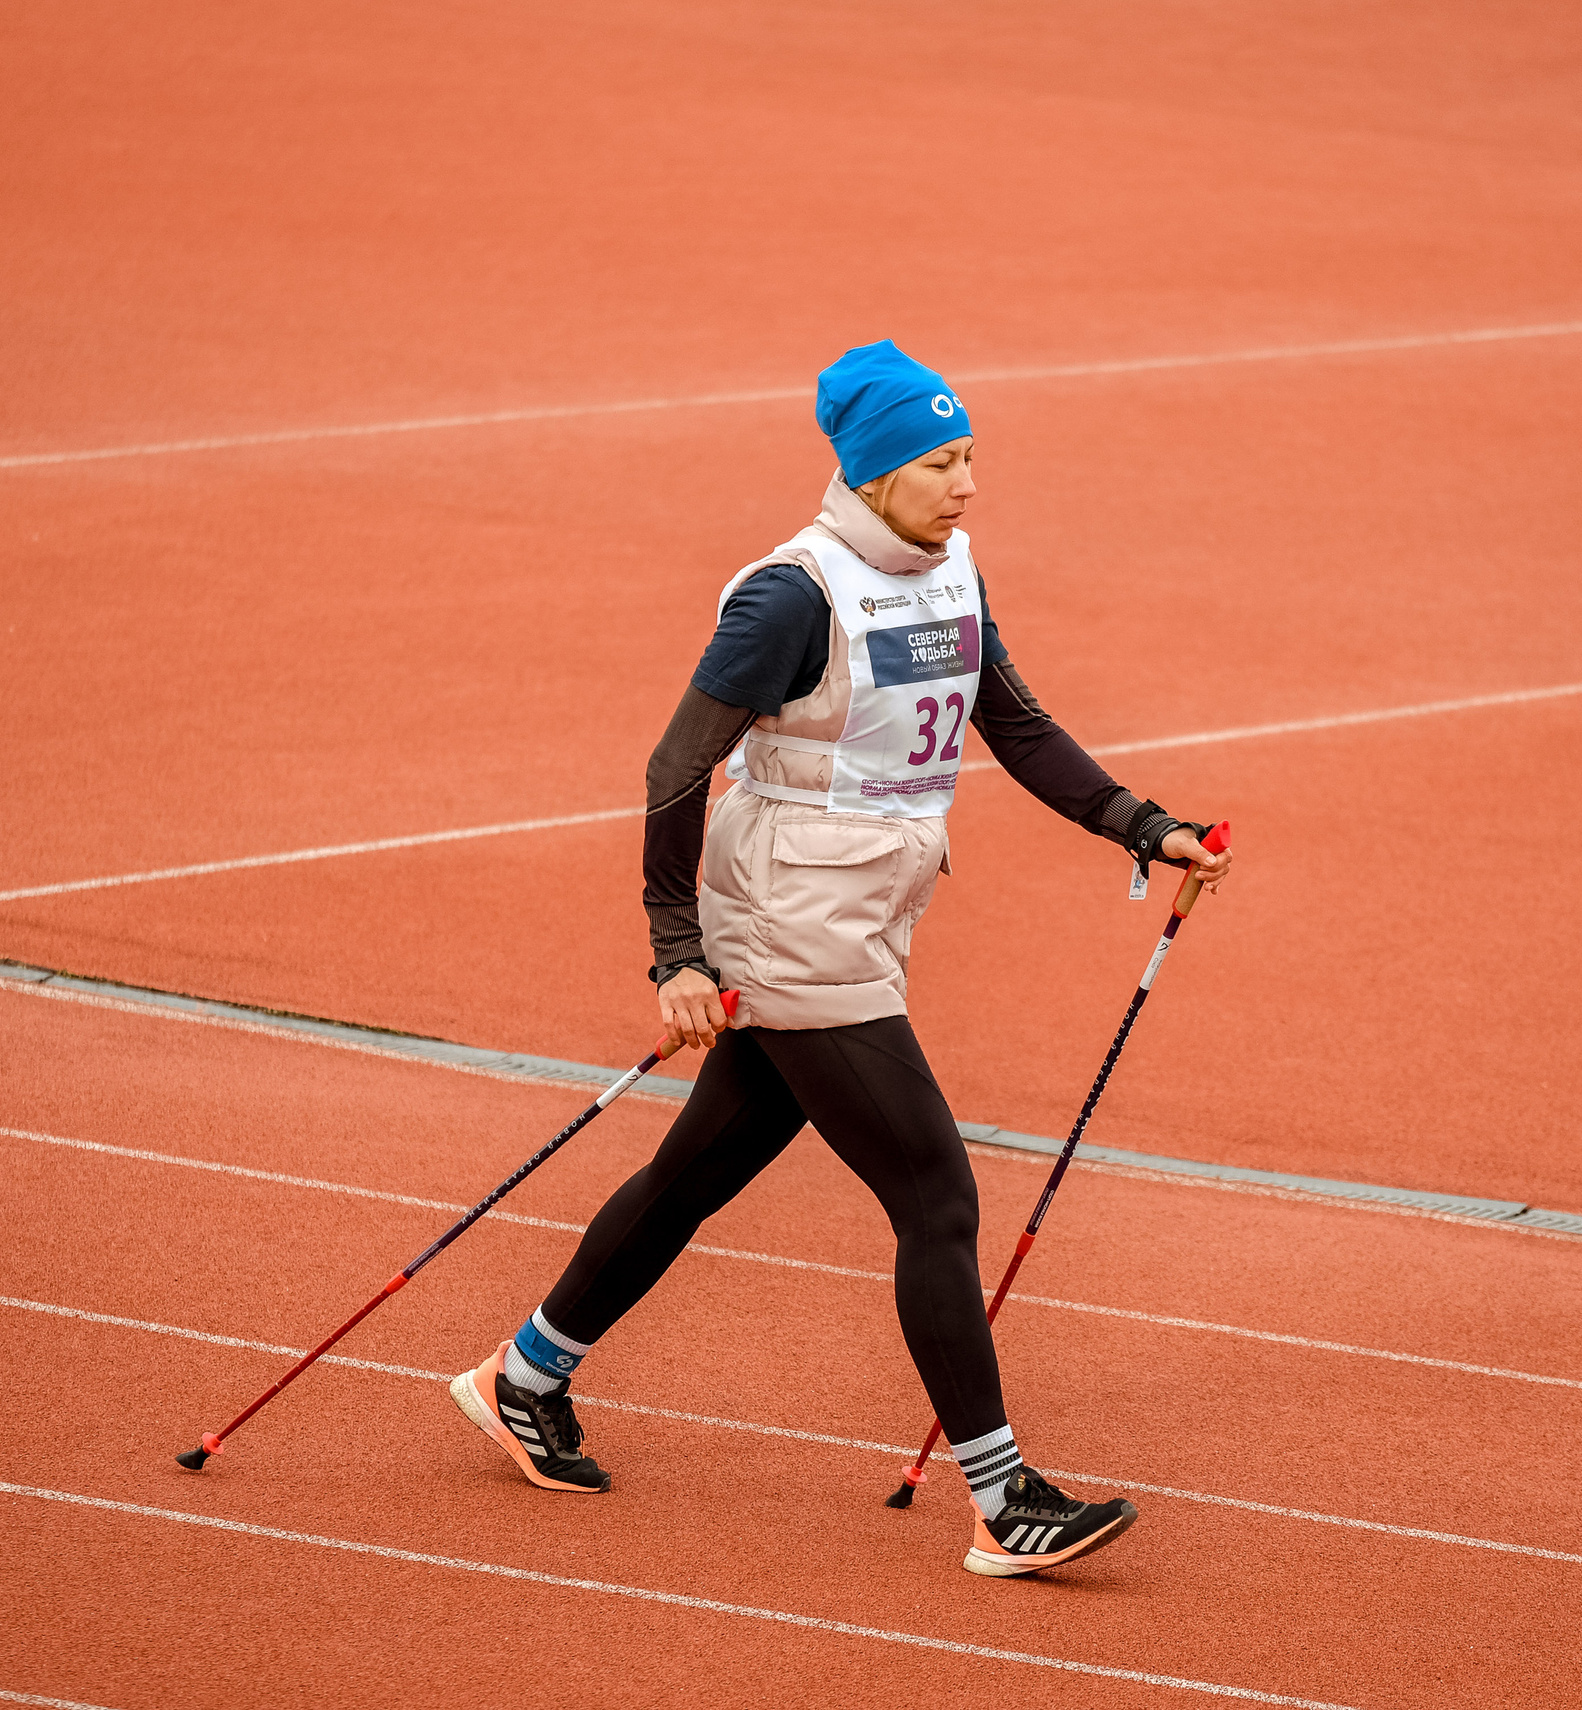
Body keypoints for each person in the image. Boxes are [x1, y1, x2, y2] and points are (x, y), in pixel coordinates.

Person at [452, 340, 1232, 1578]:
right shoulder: (790, 598)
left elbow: (1011, 720)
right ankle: (1003, 1500)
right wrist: (677, 955)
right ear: (872, 473)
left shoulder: (949, 570)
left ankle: (526, 1376)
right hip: (790, 926)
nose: (966, 483)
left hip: (860, 916)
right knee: (937, 1194)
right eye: (938, 462)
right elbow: (675, 768)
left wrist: (1140, 825)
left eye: (969, 455)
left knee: (698, 1169)